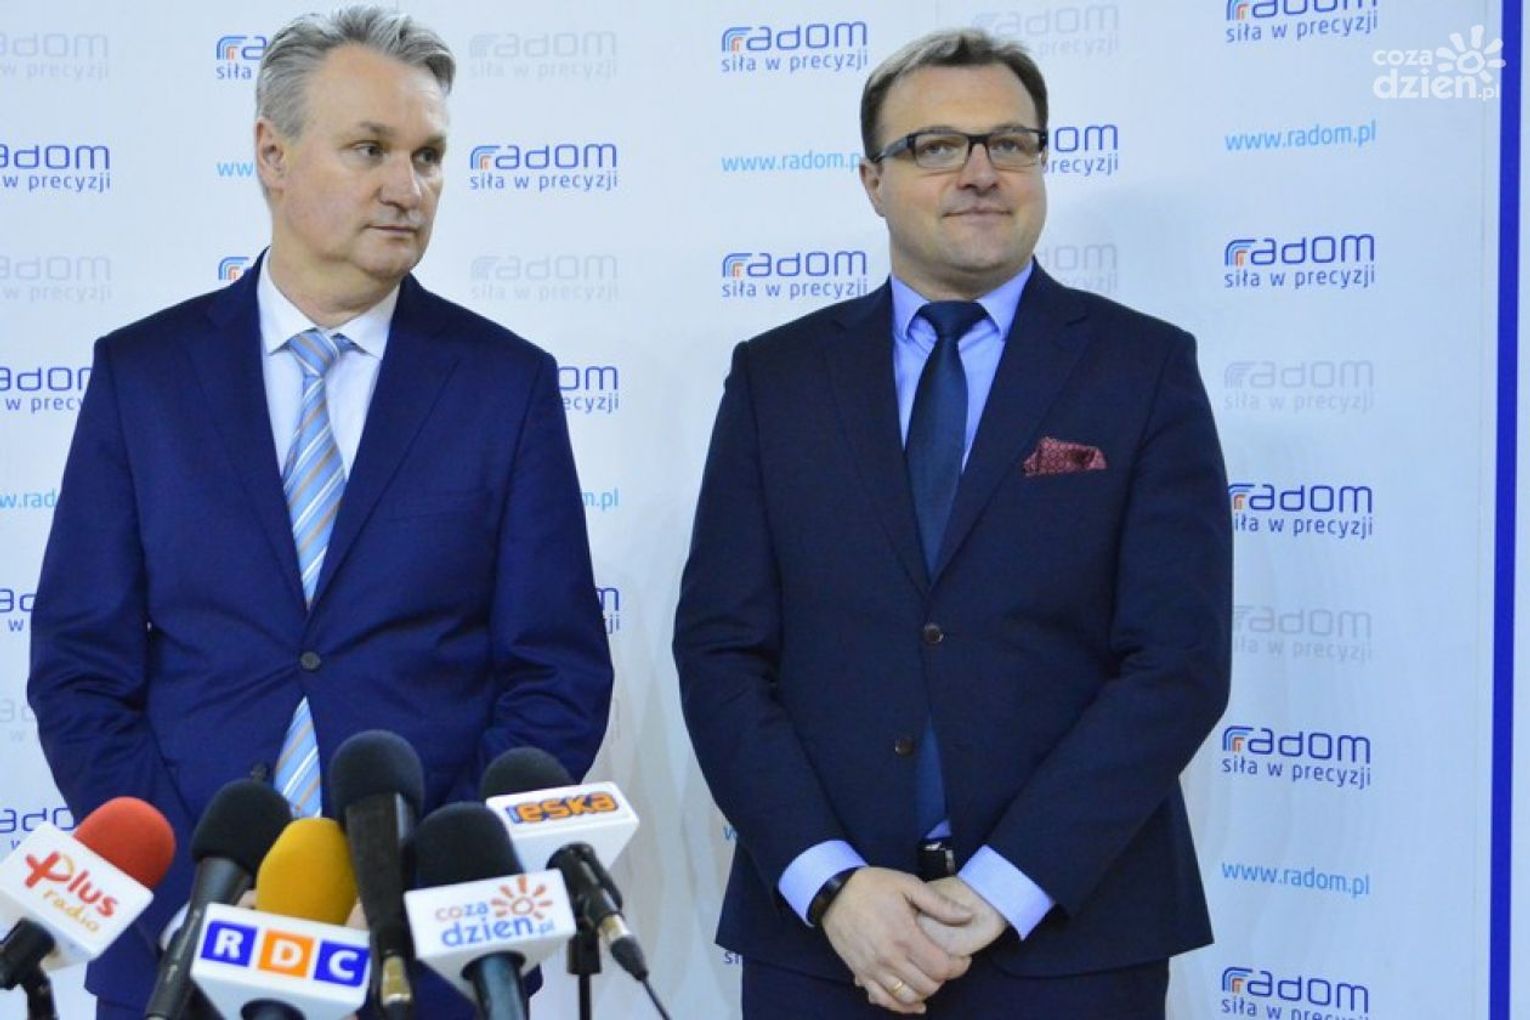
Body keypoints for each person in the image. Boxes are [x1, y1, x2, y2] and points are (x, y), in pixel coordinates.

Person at [27, 7, 612, 1016]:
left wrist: (408, 883)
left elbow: (555, 678)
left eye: (429, 156)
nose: (407, 187)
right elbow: (81, 671)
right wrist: (204, 886)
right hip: (183, 942)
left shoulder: (504, 385)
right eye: (370, 149)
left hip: (424, 956)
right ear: (273, 155)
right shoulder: (144, 377)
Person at [674, 27, 1231, 1019]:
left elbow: (1176, 663)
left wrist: (1007, 886)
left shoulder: (1142, 370)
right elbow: (721, 652)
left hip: (1069, 943)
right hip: (826, 947)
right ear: (872, 180)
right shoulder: (777, 379)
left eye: (1010, 143)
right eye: (937, 146)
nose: (981, 172)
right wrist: (830, 882)